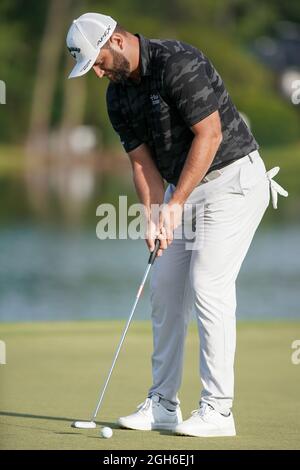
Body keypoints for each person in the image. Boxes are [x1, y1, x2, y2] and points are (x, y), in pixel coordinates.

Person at [66, 13, 288, 437]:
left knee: (208, 285)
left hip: (233, 179)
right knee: (166, 287)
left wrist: (176, 202)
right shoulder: (117, 96)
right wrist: (154, 216)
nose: (97, 72)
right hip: (184, 190)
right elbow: (141, 162)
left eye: (97, 61)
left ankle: (219, 411)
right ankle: (163, 404)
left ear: (115, 40)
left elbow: (210, 135)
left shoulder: (177, 62)